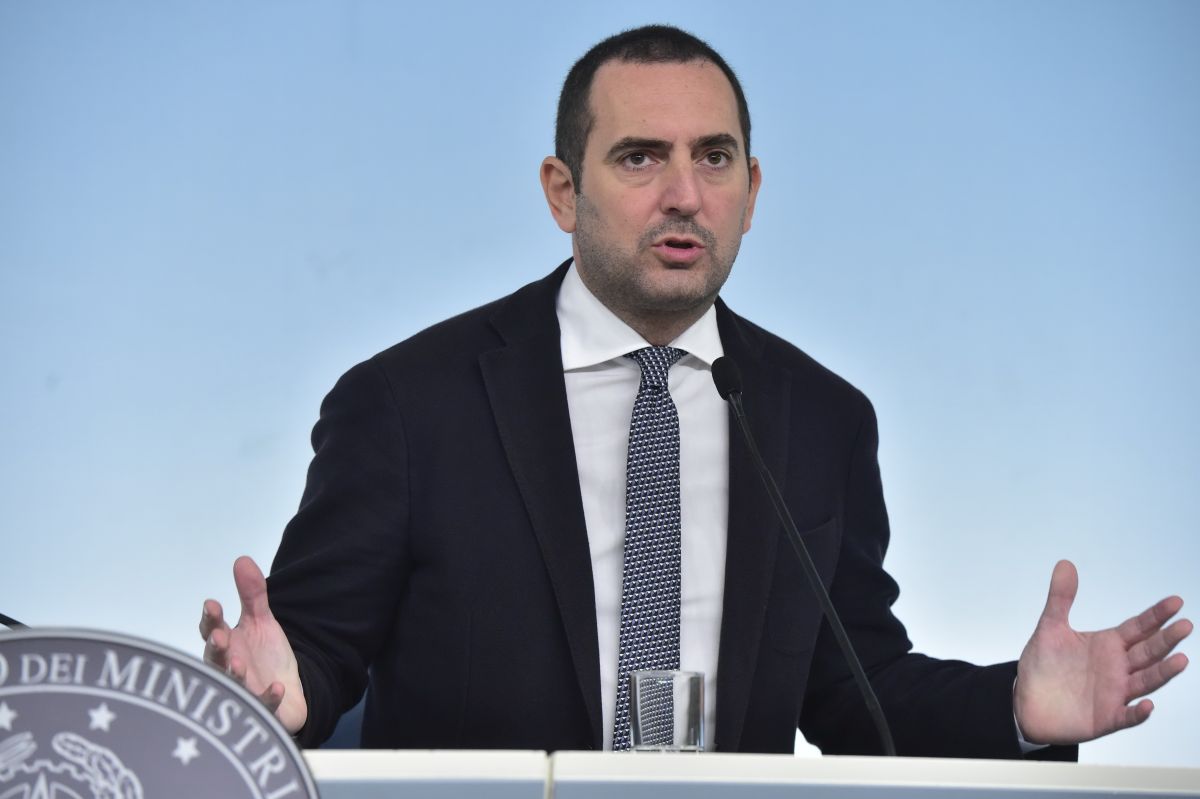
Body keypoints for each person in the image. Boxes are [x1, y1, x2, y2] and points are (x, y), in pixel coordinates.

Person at [198, 25, 1190, 755]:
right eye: (640, 157)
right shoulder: (408, 402)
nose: (684, 194)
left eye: (713, 158)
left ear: (750, 192)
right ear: (561, 191)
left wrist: (1016, 710)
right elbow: (316, 654)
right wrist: (280, 693)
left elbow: (860, 693)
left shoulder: (820, 419)